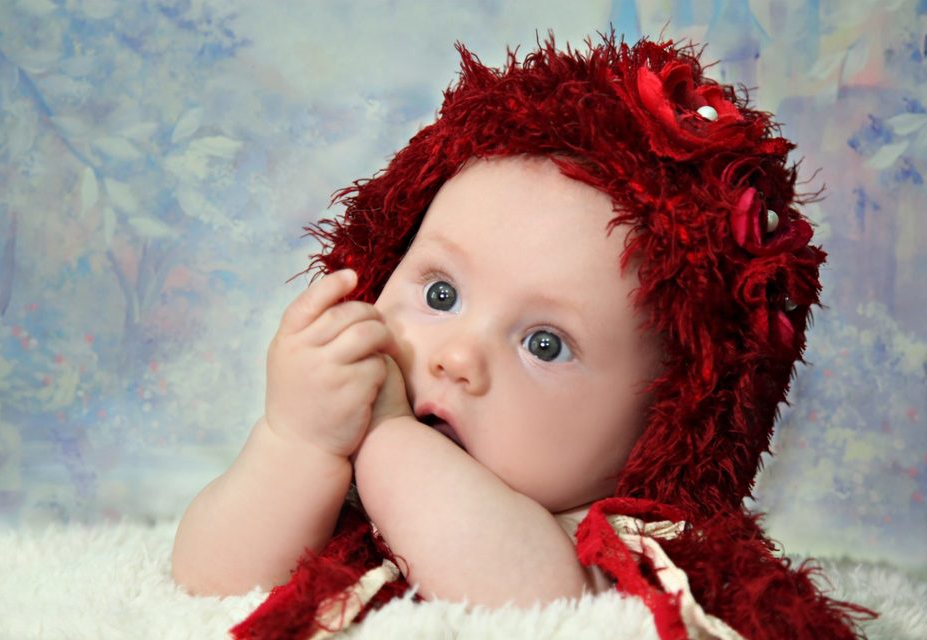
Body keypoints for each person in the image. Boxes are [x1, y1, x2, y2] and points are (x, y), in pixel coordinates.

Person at [171, 34, 874, 639]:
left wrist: (388, 435)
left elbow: (528, 599)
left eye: (544, 343)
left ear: (661, 424)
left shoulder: (596, 543)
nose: (457, 357)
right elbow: (210, 579)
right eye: (441, 295)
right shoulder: (333, 477)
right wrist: (294, 442)